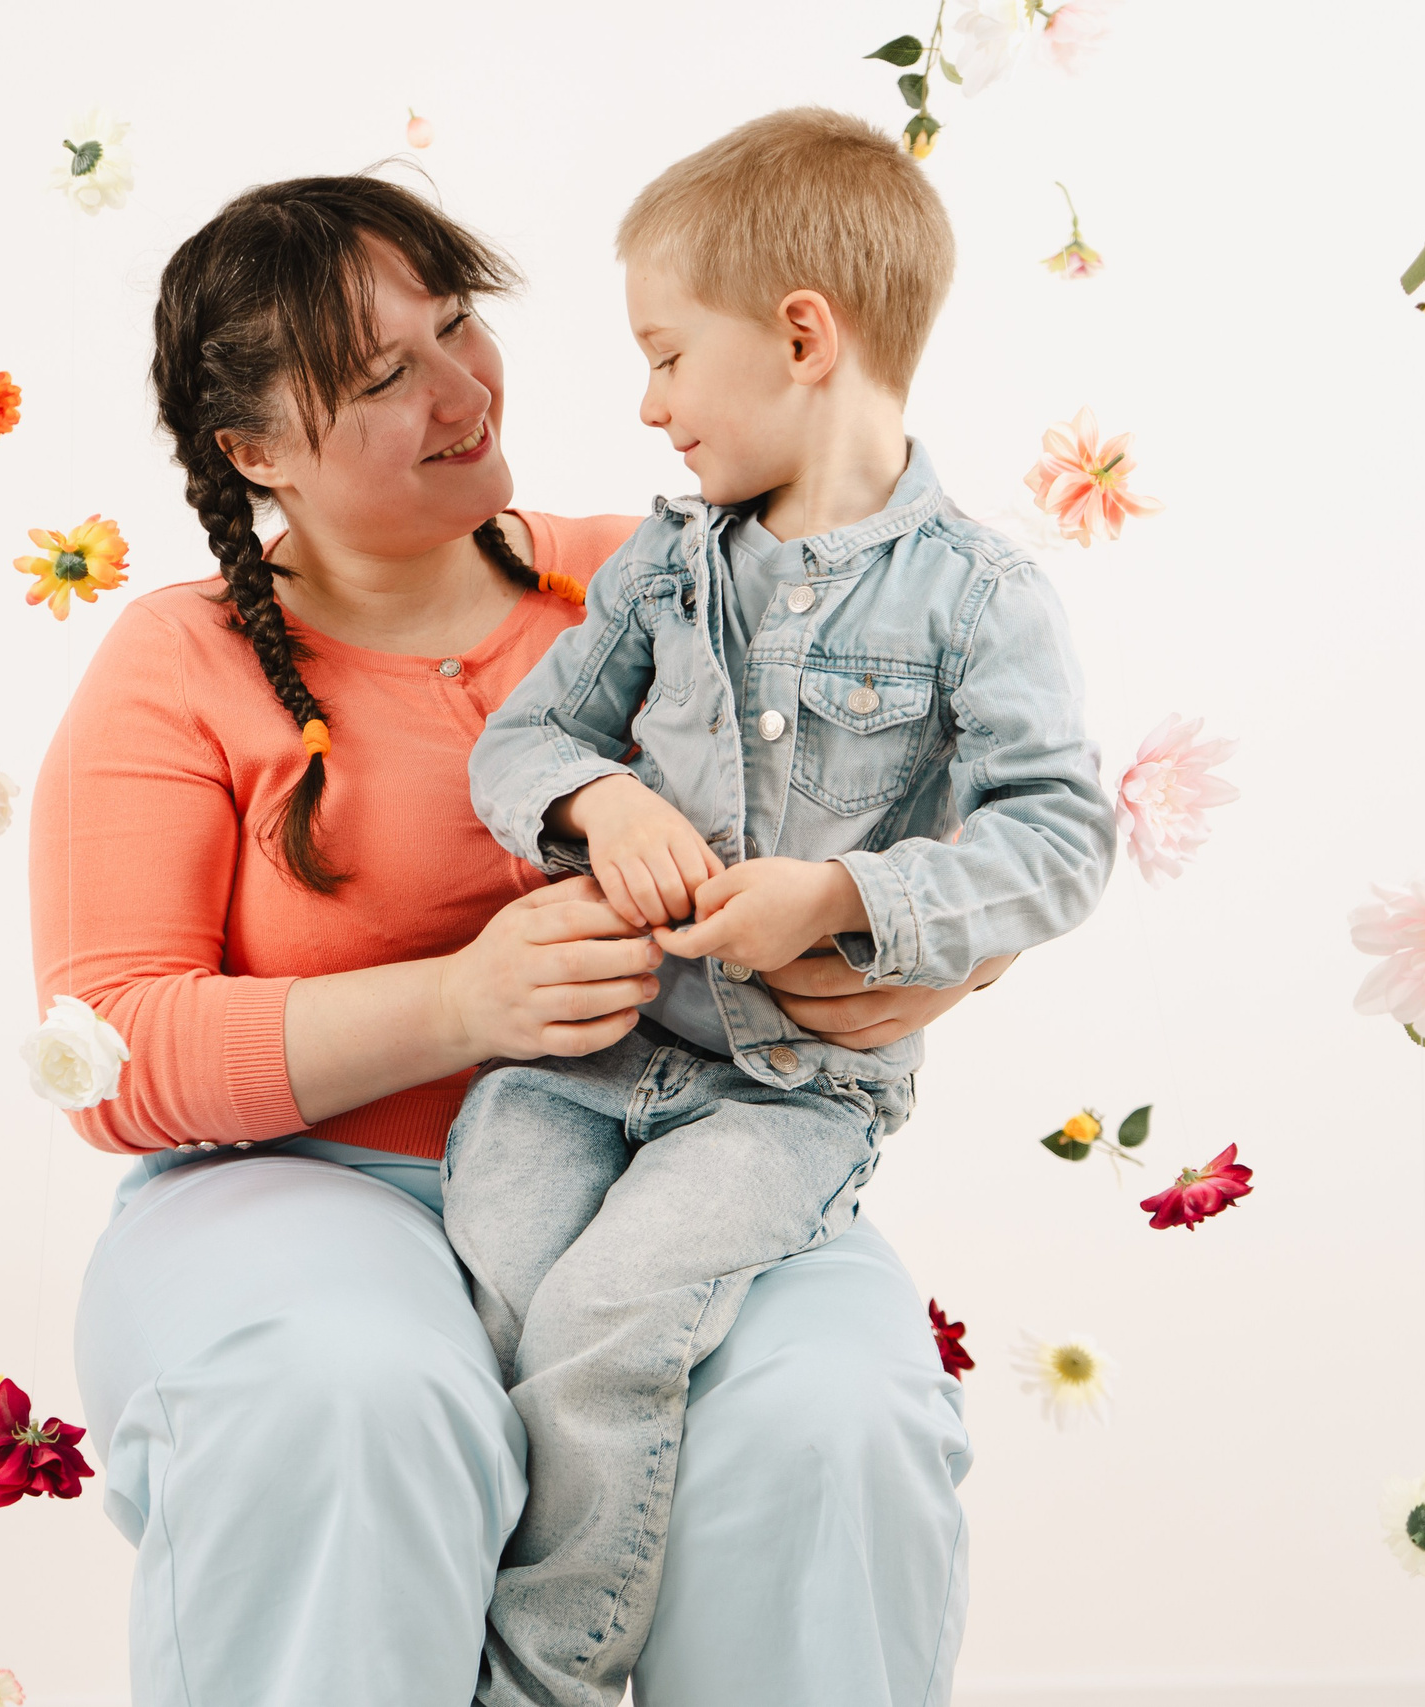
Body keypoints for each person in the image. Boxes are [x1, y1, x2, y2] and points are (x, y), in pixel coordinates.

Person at [32, 172, 988, 1707]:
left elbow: (956, 785)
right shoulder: (176, 661)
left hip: (691, 1157)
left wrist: (923, 950)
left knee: (835, 1421)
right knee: (348, 1401)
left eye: (460, 324)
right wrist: (466, 1006)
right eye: (380, 375)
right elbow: (111, 1048)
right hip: (312, 1186)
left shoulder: (668, 574)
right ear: (255, 450)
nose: (463, 389)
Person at [442, 108, 1118, 1707]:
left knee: (614, 1312)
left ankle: (535, 1682)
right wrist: (599, 801)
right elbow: (523, 741)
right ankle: (608, 1617)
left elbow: (1063, 838)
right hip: (588, 1063)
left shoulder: (978, 593)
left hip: (782, 1097)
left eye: (670, 356)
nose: (649, 402)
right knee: (499, 1278)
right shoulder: (667, 570)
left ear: (802, 335)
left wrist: (848, 895)